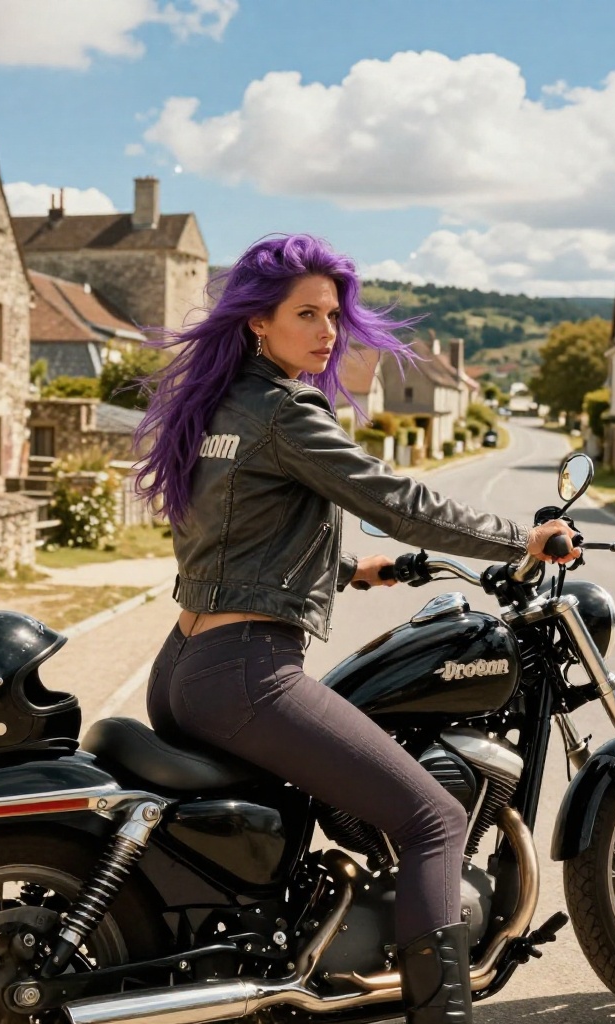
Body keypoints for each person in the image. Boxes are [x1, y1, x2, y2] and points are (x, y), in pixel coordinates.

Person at [134, 234, 578, 1024]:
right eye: (306, 314)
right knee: (433, 818)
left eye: (333, 316)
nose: (327, 333)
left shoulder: (216, 408)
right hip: (245, 674)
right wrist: (522, 539)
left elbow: (231, 536)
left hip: (183, 669)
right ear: (256, 323)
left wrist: (350, 570)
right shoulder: (284, 408)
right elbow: (397, 500)